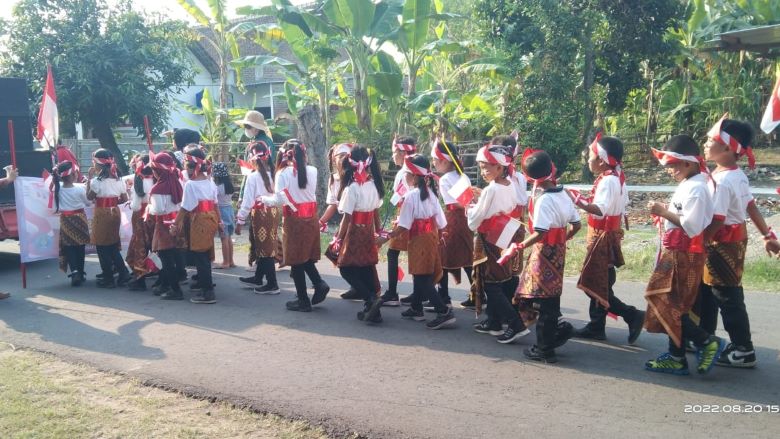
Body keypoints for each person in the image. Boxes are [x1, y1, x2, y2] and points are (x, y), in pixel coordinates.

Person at [699, 116, 780, 368]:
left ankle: (743, 349)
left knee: (726, 295)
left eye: (710, 140)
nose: (705, 144)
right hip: (733, 241)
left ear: (726, 147)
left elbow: (718, 219)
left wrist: (701, 241)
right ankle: (705, 338)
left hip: (721, 243)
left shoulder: (723, 181)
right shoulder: (735, 175)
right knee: (710, 290)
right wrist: (767, 236)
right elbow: (751, 206)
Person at [644, 135, 725, 375]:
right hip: (677, 251)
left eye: (673, 166)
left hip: (684, 254)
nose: (669, 171)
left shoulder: (697, 188)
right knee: (673, 304)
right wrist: (665, 212)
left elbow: (692, 225)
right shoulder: (690, 183)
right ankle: (676, 357)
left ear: (688, 163)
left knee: (667, 302)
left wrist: (663, 212)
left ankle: (705, 341)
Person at [506, 149, 581, 363]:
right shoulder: (564, 194)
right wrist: (563, 239)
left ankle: (544, 348)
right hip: (558, 251)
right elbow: (577, 225)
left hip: (543, 252)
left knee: (540, 299)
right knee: (551, 297)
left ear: (529, 178)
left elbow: (540, 232)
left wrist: (520, 246)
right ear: (552, 168)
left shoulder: (544, 200)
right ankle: (553, 335)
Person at [570, 134, 645, 344]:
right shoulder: (615, 177)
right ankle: (596, 326)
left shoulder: (609, 180)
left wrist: (577, 199)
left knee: (594, 283)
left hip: (601, 237)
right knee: (600, 281)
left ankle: (631, 314)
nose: (587, 160)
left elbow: (600, 209)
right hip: (607, 235)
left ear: (601, 160)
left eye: (590, 156)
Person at [379, 154, 456, 329]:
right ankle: (416, 307)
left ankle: (443, 311)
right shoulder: (431, 194)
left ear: (414, 177)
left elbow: (403, 226)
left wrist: (385, 237)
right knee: (421, 272)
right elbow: (442, 222)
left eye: (407, 173)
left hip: (419, 240)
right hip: (431, 237)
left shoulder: (411, 196)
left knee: (422, 277)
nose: (404, 176)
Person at [467, 144, 529, 344]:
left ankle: (515, 323)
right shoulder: (509, 184)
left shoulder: (491, 189)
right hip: (504, 234)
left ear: (500, 167)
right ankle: (494, 321)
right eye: (481, 167)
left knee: (491, 283)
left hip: (490, 238)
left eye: (486, 167)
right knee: (500, 278)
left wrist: (470, 208)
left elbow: (476, 218)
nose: (483, 171)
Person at [259, 139, 330, 312]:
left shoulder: (282, 173)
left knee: (296, 260)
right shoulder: (312, 170)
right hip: (311, 218)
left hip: (294, 220)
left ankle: (303, 300)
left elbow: (278, 200)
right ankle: (319, 284)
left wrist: (264, 199)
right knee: (305, 256)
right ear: (304, 153)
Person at [333, 146, 384, 323]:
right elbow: (376, 211)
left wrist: (338, 239)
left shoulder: (352, 188)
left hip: (354, 231)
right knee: (365, 266)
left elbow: (346, 218)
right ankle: (373, 310)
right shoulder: (374, 184)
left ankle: (370, 299)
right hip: (368, 230)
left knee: (346, 268)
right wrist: (378, 231)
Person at [172, 145, 222, 304]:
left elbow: (185, 207)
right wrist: (219, 222)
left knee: (201, 257)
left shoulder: (191, 184)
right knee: (205, 254)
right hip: (211, 218)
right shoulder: (210, 181)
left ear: (190, 166)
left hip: (199, 220)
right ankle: (204, 284)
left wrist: (175, 224)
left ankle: (208, 292)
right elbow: (215, 204)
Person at [430, 139, 473, 310]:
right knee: (467, 257)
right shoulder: (463, 176)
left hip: (453, 219)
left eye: (435, 159)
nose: (433, 162)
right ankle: (477, 294)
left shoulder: (445, 179)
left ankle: (444, 297)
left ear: (444, 161)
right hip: (466, 219)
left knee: (444, 258)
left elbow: (454, 203)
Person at [235, 141, 281, 295]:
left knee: (264, 249)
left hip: (261, 215)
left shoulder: (253, 177)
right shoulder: (275, 174)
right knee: (266, 246)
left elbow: (247, 201)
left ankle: (272, 284)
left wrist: (240, 220)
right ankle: (258, 277)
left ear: (252, 158)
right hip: (273, 213)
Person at [380, 136, 417, 307]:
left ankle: (392, 293)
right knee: (414, 253)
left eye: (394, 152)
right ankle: (418, 293)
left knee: (392, 252)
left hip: (406, 215)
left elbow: (406, 196)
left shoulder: (404, 173)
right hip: (410, 215)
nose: (392, 156)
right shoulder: (413, 169)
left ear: (402, 153)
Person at [86, 148, 131, 288]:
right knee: (112, 245)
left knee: (101, 246)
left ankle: (108, 278)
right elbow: (125, 199)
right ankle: (123, 273)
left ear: (97, 164)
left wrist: (89, 179)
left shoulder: (96, 182)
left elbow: (89, 197)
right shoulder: (119, 180)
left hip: (102, 213)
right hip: (115, 212)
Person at [149, 152, 186, 300]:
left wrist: (148, 207)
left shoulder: (157, 189)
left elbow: (158, 210)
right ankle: (165, 285)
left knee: (166, 259)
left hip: (163, 226)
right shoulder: (178, 182)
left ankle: (175, 289)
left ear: (158, 171)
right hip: (177, 223)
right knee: (174, 256)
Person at [52, 160, 90, 287]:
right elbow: (88, 202)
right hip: (80, 219)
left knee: (69, 246)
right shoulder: (80, 189)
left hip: (66, 219)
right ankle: (81, 272)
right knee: (80, 246)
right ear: (73, 175)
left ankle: (74, 272)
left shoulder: (57, 189)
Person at [125, 154, 157, 291]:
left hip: (141, 217)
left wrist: (131, 202)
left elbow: (136, 206)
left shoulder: (139, 181)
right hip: (154, 217)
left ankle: (140, 278)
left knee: (139, 248)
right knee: (155, 247)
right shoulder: (156, 180)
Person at [212, 162, 236, 269]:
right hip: (230, 210)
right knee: (229, 237)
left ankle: (225, 262)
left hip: (221, 211)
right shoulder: (229, 185)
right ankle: (231, 261)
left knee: (223, 238)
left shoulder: (217, 187)